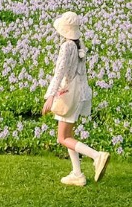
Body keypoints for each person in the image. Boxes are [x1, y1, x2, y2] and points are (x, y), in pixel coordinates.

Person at [42, 11, 110, 187]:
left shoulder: (67, 47)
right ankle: (77, 174)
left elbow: (59, 73)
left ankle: (97, 156)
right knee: (69, 135)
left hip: (68, 94)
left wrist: (50, 96)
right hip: (80, 93)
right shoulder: (79, 44)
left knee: (62, 138)